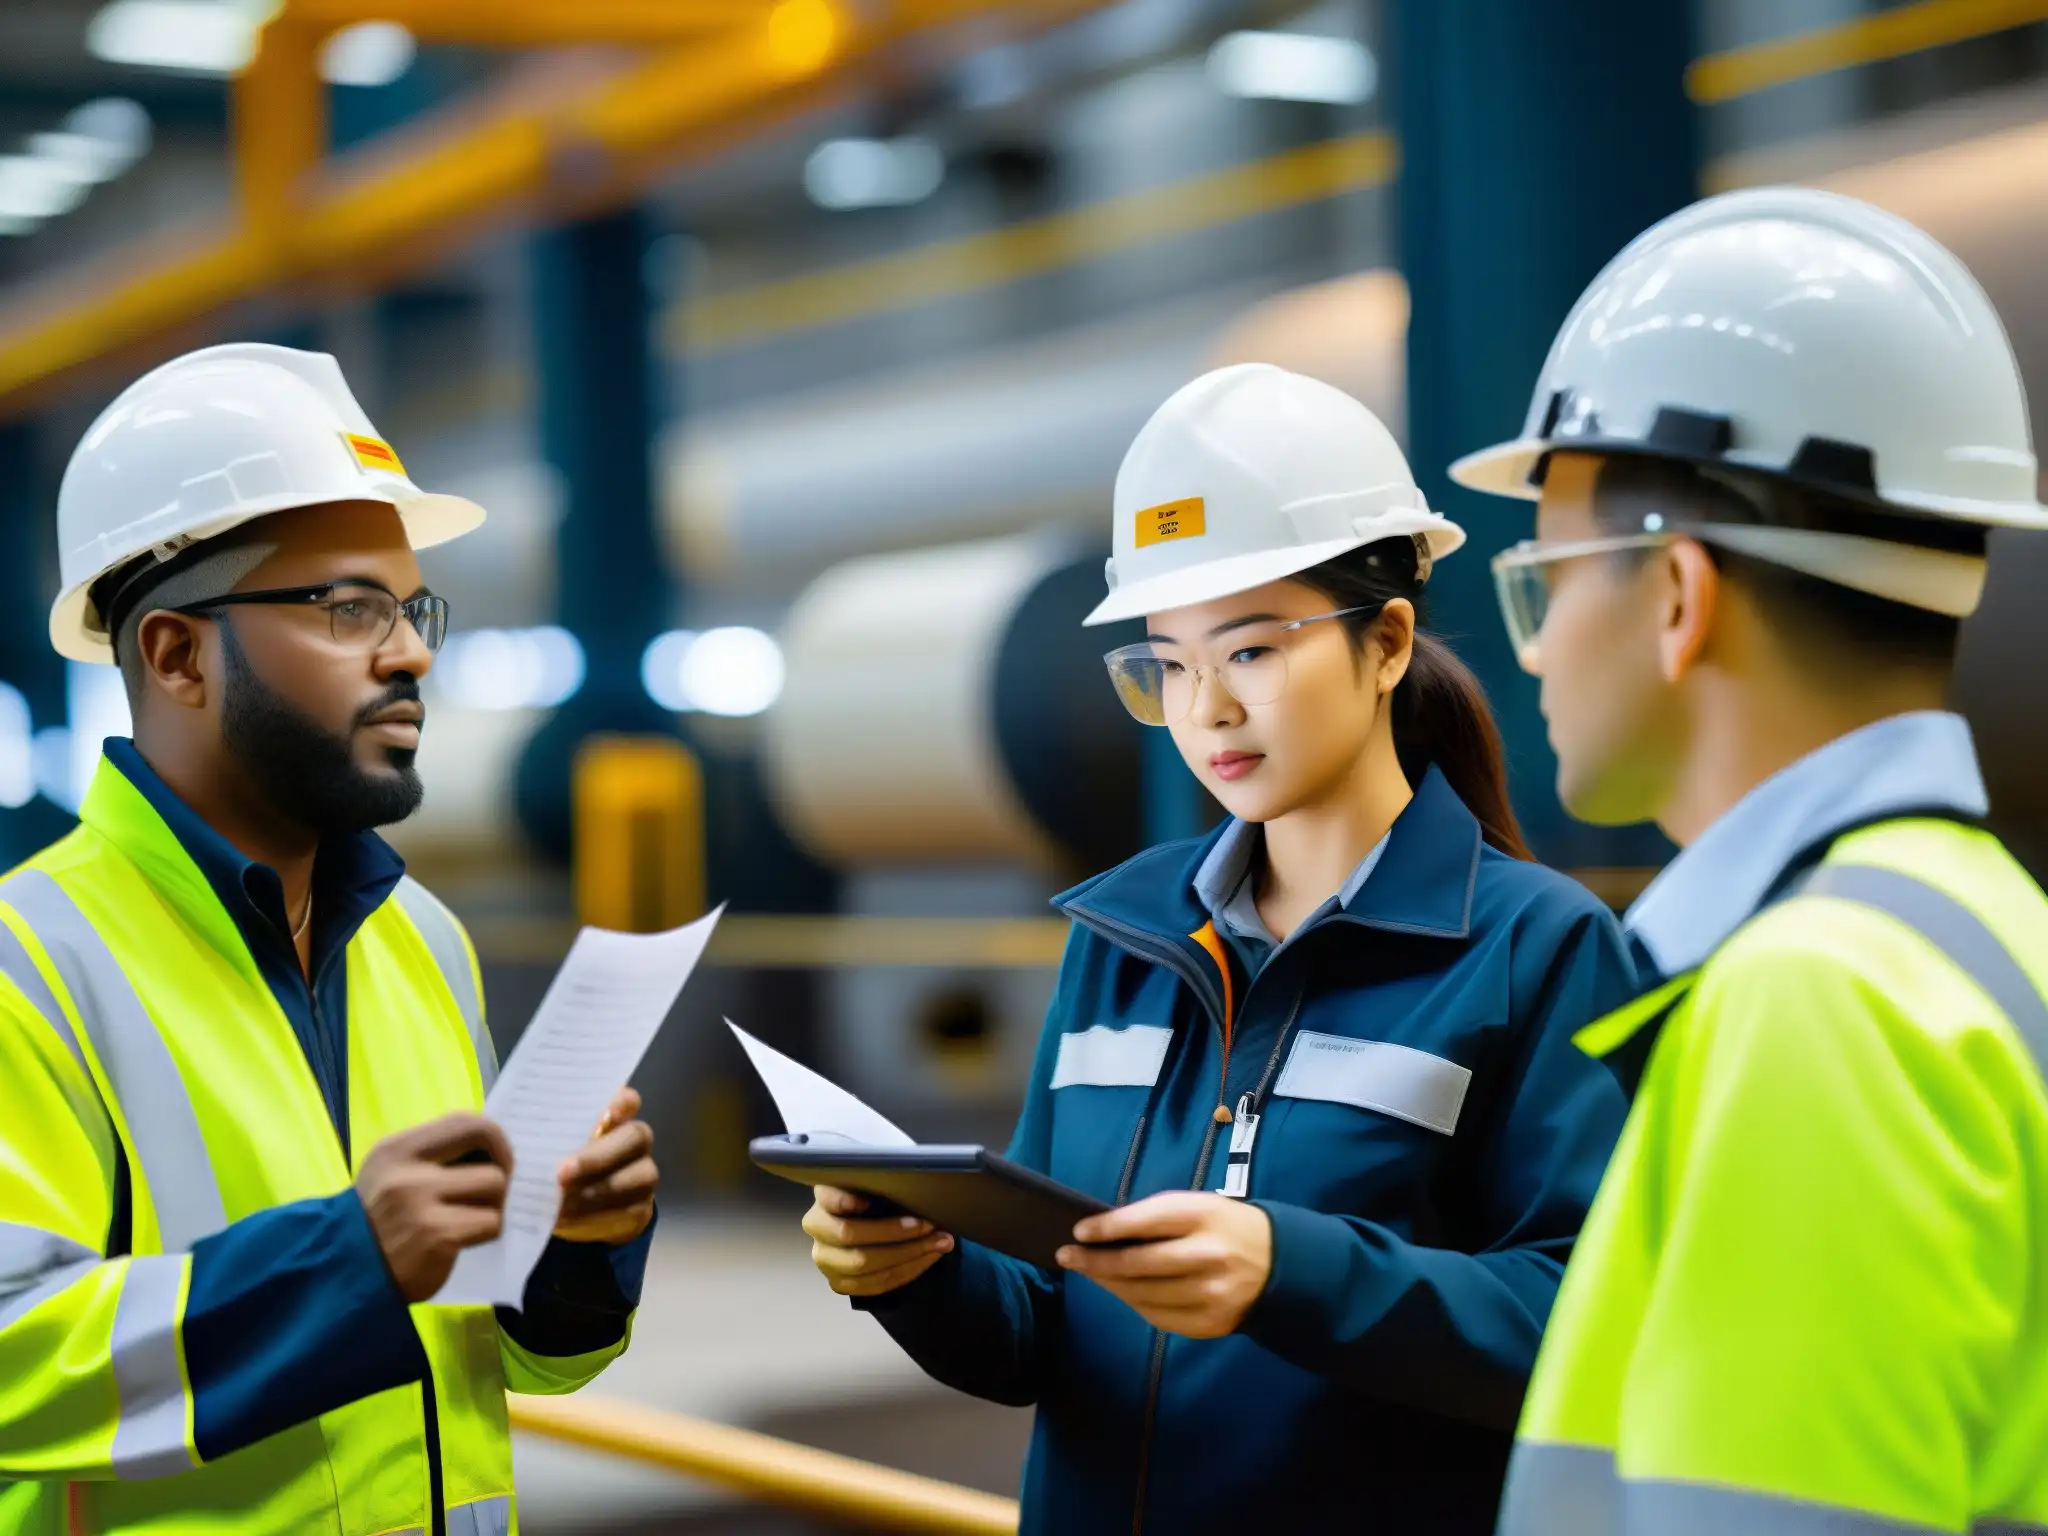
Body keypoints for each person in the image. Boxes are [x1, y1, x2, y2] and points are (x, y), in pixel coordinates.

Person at [801, 363, 1638, 1533]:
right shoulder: (1123, 943)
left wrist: (1291, 1272)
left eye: (1249, 650)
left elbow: (1596, 1325)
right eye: (1168, 664)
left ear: (1386, 641)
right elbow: (1043, 1328)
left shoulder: (1535, 949)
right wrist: (920, 1270)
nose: (1208, 711)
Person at [1450, 186, 2048, 1536]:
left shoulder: (1813, 1002)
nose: (1533, 653)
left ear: (1675, 598)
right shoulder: (1987, 927)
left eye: (1544, 585)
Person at [0, 343, 659, 1536]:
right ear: (175, 653)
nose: (408, 651)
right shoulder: (31, 965)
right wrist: (346, 1260)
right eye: (348, 605)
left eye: (411, 608)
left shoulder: (421, 941)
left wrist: (570, 1249)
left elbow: (497, 1362)